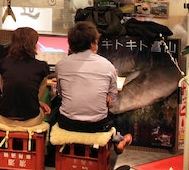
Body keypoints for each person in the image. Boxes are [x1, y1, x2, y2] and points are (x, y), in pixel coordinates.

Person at [55, 21, 132, 153]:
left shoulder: (61, 65)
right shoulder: (107, 66)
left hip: (67, 123)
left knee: (56, 105)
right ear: (92, 43)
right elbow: (113, 99)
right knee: (109, 111)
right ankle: (118, 138)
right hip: (98, 125)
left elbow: (61, 94)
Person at [0, 27, 51, 127]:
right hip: (31, 120)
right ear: (33, 45)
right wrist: (37, 103)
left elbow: (5, 90)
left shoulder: (4, 63)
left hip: (4, 118)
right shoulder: (41, 67)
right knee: (44, 112)